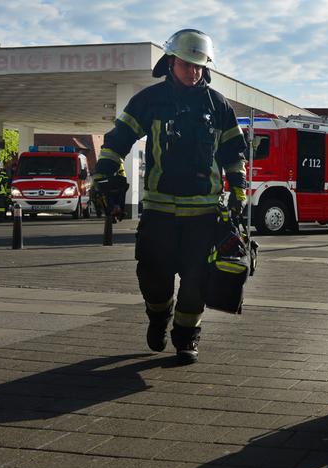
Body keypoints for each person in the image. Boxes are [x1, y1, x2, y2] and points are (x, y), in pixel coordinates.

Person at [94, 29, 247, 365]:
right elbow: (117, 141)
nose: (192, 71)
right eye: (185, 64)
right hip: (159, 212)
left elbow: (234, 154)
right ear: (170, 62)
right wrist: (106, 175)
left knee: (197, 282)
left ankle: (186, 336)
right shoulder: (150, 101)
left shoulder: (218, 106)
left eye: (198, 65)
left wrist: (238, 189)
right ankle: (158, 316)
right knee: (153, 277)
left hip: (204, 215)